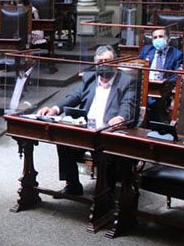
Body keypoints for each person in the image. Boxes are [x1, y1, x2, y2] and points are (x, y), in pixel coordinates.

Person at [36, 45, 137, 197]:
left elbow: (128, 105)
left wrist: (120, 118)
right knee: (63, 141)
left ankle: (106, 193)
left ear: (115, 63)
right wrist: (55, 109)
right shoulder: (90, 78)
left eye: (107, 61)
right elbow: (74, 96)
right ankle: (73, 185)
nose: (103, 65)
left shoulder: (127, 81)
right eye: (100, 62)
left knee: (106, 154)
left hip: (108, 131)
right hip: (86, 129)